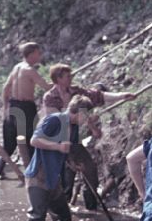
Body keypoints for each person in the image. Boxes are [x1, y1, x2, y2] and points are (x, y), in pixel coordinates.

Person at [42, 63, 134, 211]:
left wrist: (122, 96)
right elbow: (55, 125)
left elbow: (98, 96)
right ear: (58, 79)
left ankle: (91, 205)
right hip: (57, 142)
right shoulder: (50, 97)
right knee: (66, 179)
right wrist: (67, 156)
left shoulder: (76, 91)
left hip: (75, 140)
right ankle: (62, 211)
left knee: (90, 169)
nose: (71, 78)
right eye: (68, 76)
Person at [22, 95, 95, 221]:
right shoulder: (54, 120)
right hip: (38, 176)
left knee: (64, 218)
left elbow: (67, 151)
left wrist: (73, 164)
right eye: (86, 116)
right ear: (80, 113)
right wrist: (58, 147)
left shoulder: (73, 128)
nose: (87, 120)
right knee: (36, 219)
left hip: (54, 178)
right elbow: (35, 141)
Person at [0, 41, 50, 178]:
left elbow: (6, 88)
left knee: (9, 144)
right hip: (25, 108)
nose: (40, 55)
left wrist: (6, 107)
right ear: (31, 54)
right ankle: (34, 175)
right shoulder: (30, 71)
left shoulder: (17, 67)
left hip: (13, 106)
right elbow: (46, 87)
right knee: (31, 140)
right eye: (38, 53)